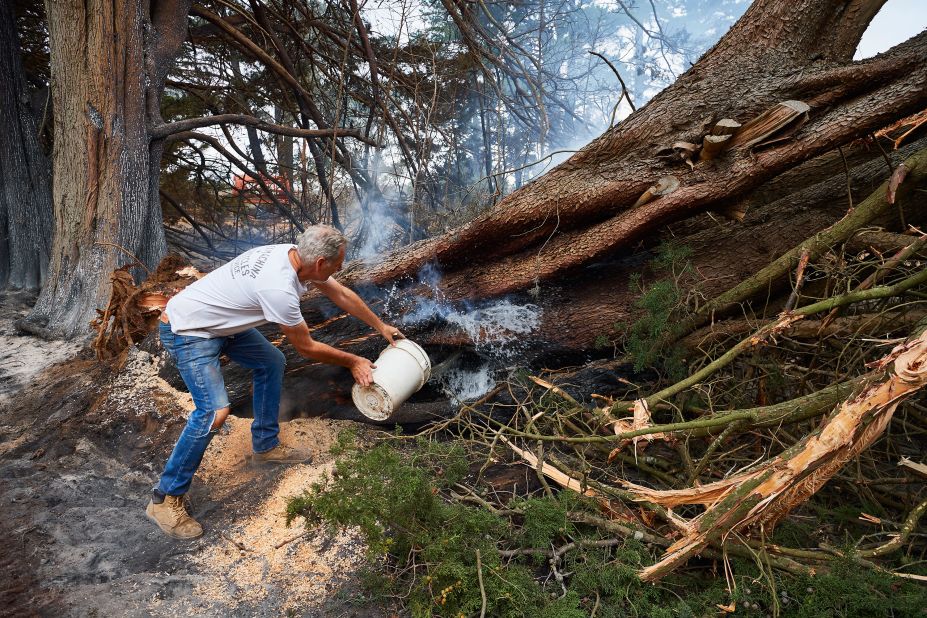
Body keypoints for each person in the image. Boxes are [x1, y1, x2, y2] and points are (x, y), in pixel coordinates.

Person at [146, 225, 403, 539]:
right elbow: (306, 347)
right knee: (214, 412)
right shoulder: (278, 288)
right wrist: (353, 360)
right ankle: (164, 498)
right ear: (321, 263)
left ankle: (265, 446)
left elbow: (340, 293)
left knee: (271, 361)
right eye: (338, 264)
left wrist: (380, 326)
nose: (341, 268)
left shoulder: (292, 255)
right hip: (189, 330)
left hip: (217, 323)